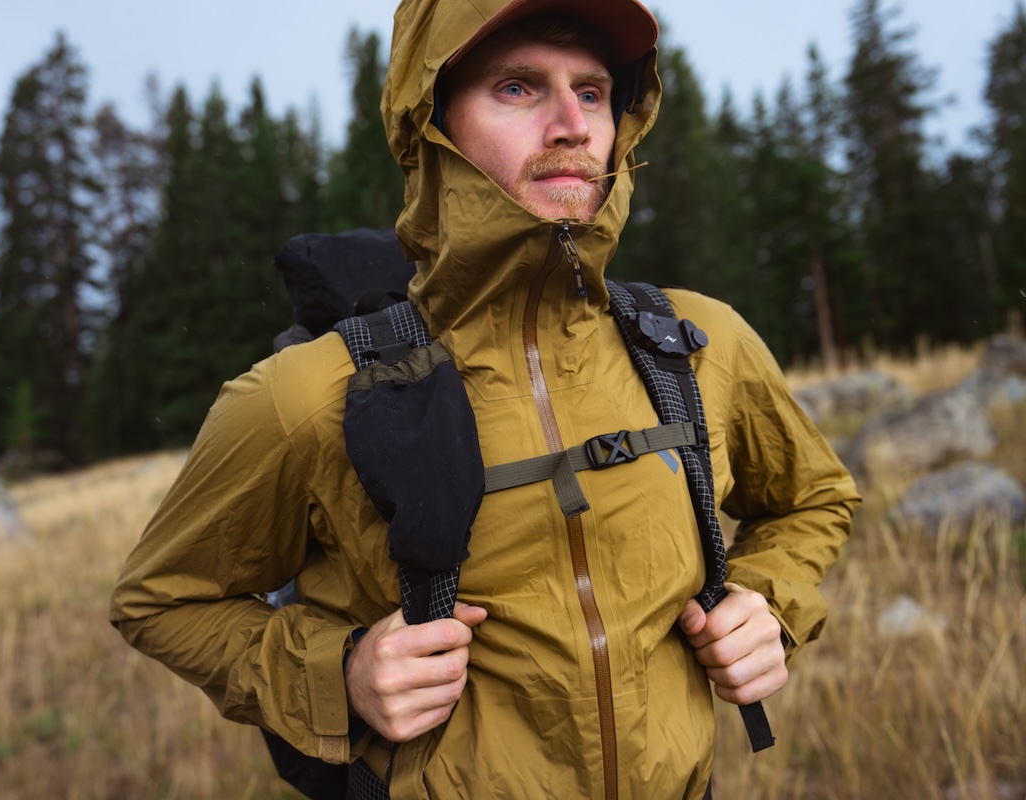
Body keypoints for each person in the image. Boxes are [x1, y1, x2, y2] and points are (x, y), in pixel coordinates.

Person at [110, 0, 861, 797]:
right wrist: (341, 675)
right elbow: (163, 599)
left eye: (595, 91)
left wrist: (766, 603)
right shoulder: (303, 396)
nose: (573, 124)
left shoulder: (700, 343)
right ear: (429, 126)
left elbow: (814, 500)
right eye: (517, 88)